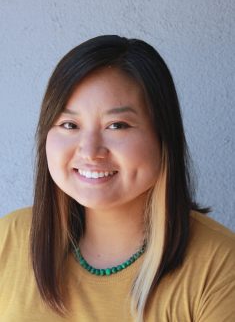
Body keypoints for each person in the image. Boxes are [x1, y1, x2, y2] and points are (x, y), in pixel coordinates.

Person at [0, 35, 234, 322]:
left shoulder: (220, 265)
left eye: (117, 125)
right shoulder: (9, 238)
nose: (90, 151)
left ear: (163, 137)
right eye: (69, 124)